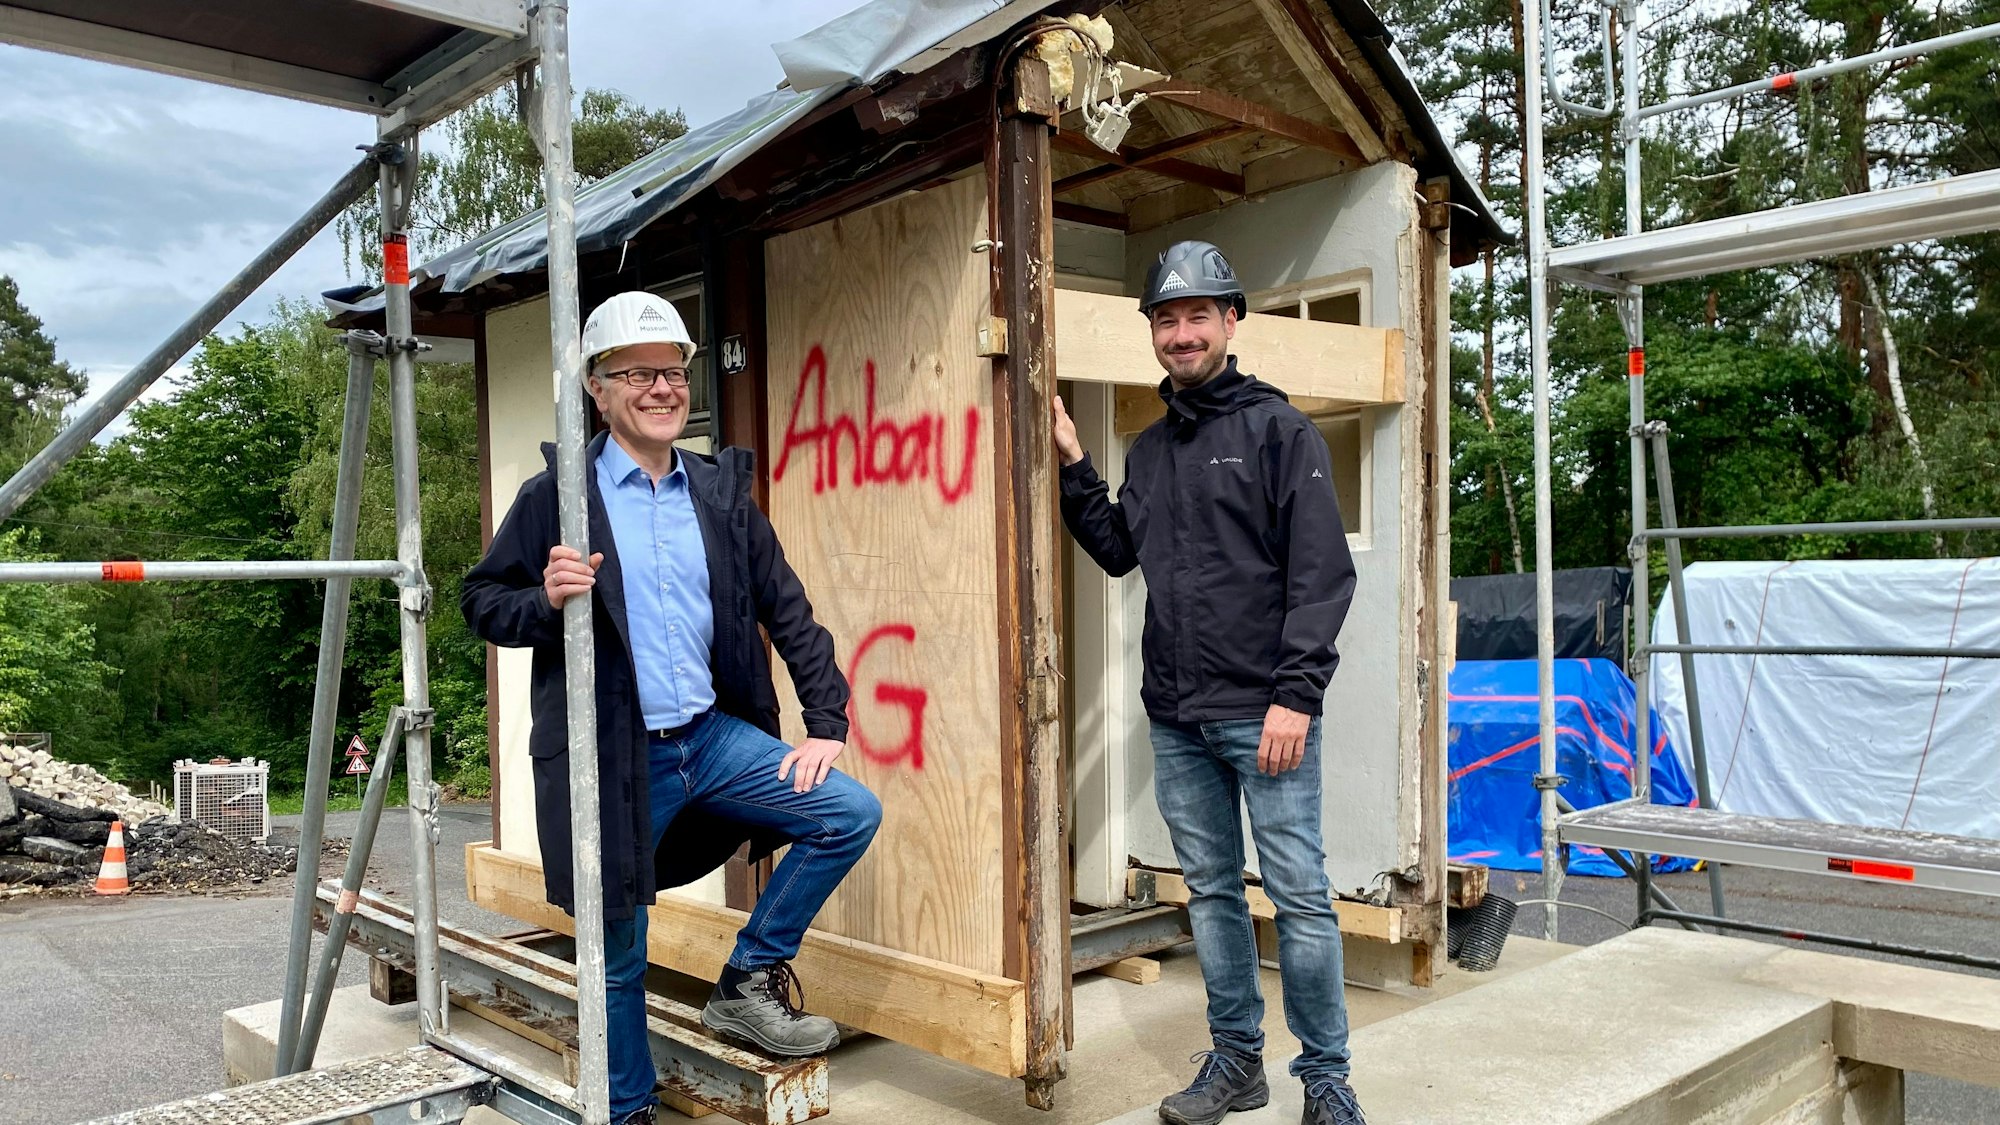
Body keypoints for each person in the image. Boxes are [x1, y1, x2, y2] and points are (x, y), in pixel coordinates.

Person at [463, 291, 882, 1125]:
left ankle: (746, 978)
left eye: (673, 370)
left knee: (847, 811)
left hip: (711, 737)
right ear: (598, 386)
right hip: (616, 756)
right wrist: (543, 600)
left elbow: (787, 606)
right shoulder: (561, 495)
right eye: (638, 372)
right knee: (618, 953)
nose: (662, 387)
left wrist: (827, 722)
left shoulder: (718, 493)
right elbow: (481, 600)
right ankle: (628, 1111)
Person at [1051, 242, 1364, 1125]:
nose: (1181, 333)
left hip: (1266, 711)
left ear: (1231, 322)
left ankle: (1327, 1079)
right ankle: (1236, 1063)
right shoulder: (1148, 452)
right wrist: (1075, 462)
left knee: (1300, 894)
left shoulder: (1279, 431)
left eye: (1197, 316)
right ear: (1151, 332)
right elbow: (1118, 552)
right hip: (1177, 716)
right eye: (1166, 318)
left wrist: (1296, 694)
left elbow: (1322, 574)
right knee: (1215, 894)